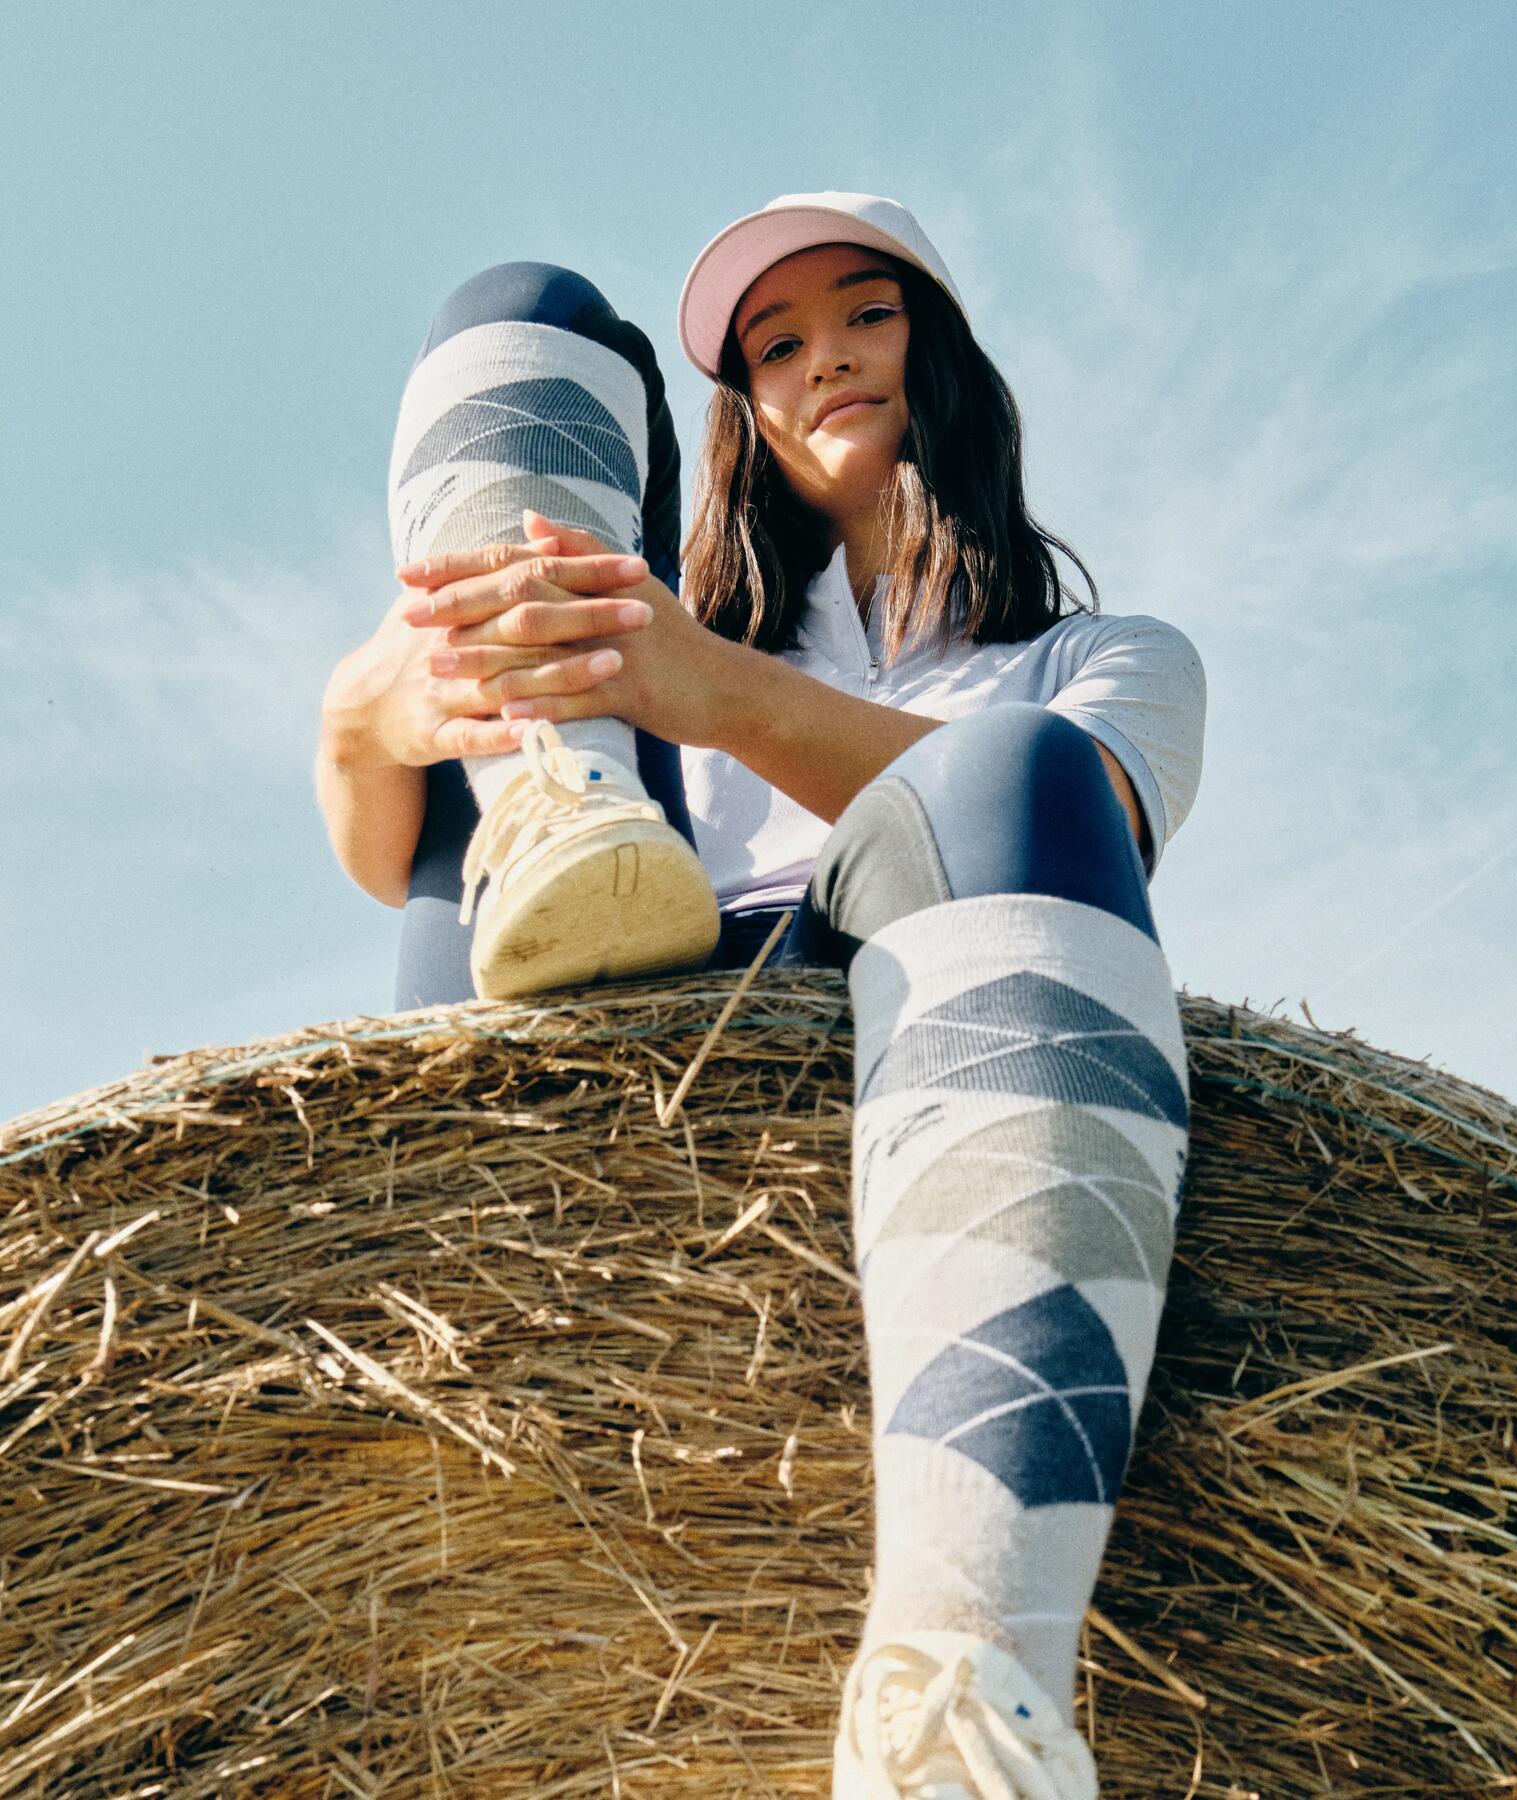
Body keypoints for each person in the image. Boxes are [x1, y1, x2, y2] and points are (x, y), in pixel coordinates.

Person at [316, 192, 1206, 1800]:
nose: (824, 363)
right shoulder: (648, 644)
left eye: (866, 316)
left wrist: (710, 689)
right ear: (743, 413)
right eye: (775, 347)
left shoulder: (1107, 657)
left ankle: (960, 1682)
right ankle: (561, 803)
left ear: (947, 354)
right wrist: (371, 709)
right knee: (525, 301)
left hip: (904, 996)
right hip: (585, 999)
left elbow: (1093, 831)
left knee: (1015, 768)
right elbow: (390, 860)